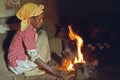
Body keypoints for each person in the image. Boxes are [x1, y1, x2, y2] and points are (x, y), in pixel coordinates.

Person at [7, 3, 61, 77]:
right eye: (39, 19)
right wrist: (53, 72)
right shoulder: (27, 31)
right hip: (17, 65)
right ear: (31, 19)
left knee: (43, 33)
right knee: (38, 58)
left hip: (15, 60)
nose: (41, 21)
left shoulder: (27, 26)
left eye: (42, 18)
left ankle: (42, 65)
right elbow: (34, 57)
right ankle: (31, 70)